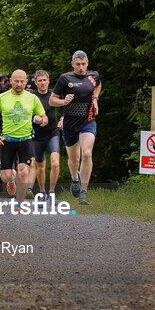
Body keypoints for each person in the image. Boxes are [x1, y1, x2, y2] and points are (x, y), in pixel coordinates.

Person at [50, 50, 101, 205]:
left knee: (86, 153)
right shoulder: (65, 79)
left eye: (83, 64)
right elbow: (52, 101)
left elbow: (98, 85)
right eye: (78, 64)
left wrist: (96, 98)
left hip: (88, 121)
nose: (81, 67)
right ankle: (74, 179)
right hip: (70, 124)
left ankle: (84, 192)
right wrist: (64, 102)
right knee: (74, 160)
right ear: (72, 64)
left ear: (87, 63)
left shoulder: (93, 76)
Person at [0, 69, 48, 201]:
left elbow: (45, 118)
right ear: (11, 81)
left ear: (26, 81)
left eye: (22, 81)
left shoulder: (32, 98)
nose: (19, 84)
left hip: (25, 140)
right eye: (16, 81)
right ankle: (11, 179)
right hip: (7, 140)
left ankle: (19, 204)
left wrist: (41, 120)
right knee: (5, 176)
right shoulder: (2, 98)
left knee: (24, 171)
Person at [30, 69, 61, 200]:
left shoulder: (54, 94)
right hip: (37, 137)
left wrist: (63, 118)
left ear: (48, 81)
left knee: (55, 163)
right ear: (36, 83)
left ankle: (52, 192)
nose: (43, 83)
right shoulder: (31, 97)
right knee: (40, 167)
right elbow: (27, 113)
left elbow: (64, 106)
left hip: (52, 133)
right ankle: (42, 192)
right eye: (40, 81)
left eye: (45, 80)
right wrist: (33, 117)